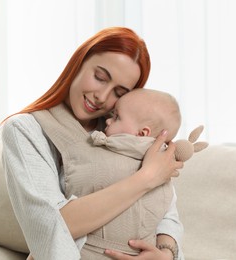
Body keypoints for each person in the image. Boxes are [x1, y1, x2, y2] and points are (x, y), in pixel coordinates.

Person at [1, 27, 184, 260]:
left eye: (119, 92)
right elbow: (50, 225)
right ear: (79, 62)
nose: (102, 97)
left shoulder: (126, 134)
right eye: (100, 77)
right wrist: (146, 177)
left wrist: (167, 254)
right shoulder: (25, 130)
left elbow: (166, 211)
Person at [74, 88, 182, 259]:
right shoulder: (91, 153)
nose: (108, 121)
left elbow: (168, 218)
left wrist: (166, 254)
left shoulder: (162, 169)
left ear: (142, 133)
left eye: (117, 117)